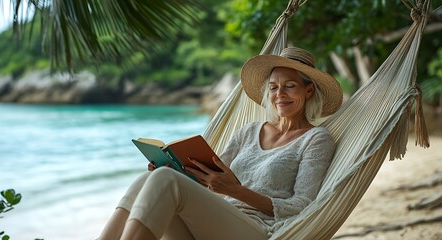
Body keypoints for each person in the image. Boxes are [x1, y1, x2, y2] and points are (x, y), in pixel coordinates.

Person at [97, 47, 343, 240]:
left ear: (308, 91)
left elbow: (302, 205)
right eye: (274, 87)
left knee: (164, 181)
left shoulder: (315, 140)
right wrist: (177, 169)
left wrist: (236, 191)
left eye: (290, 86)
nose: (280, 94)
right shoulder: (248, 131)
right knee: (153, 178)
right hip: (213, 225)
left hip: (259, 230)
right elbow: (210, 179)